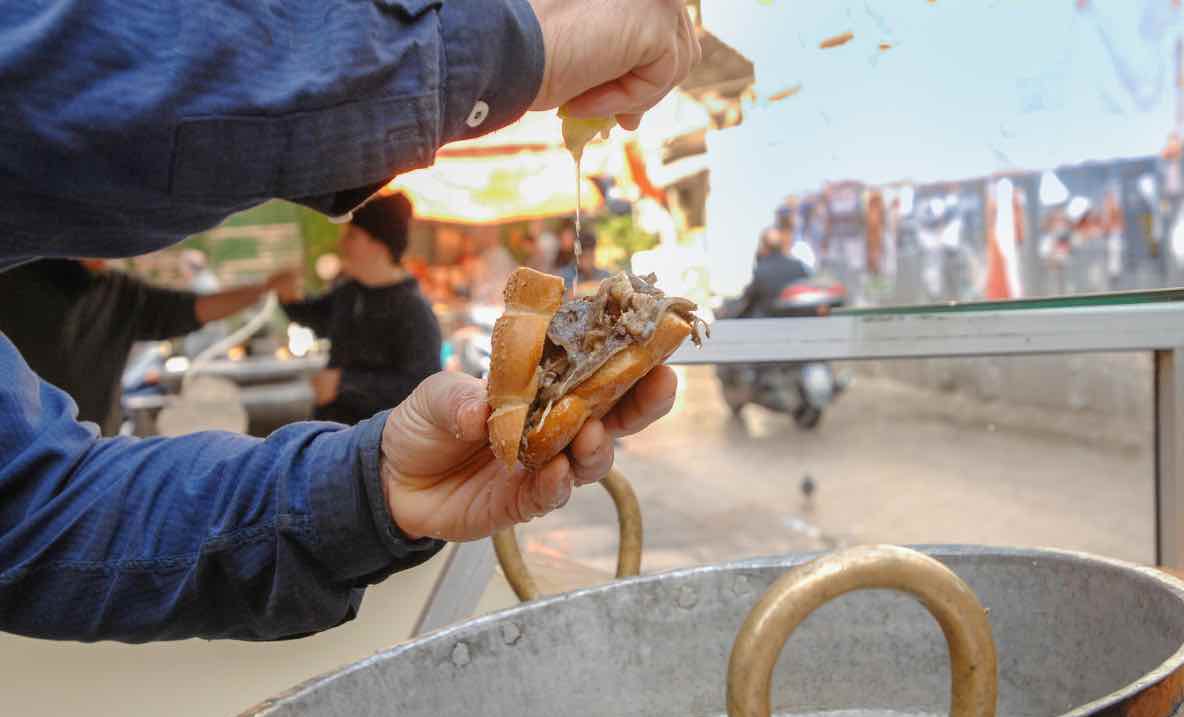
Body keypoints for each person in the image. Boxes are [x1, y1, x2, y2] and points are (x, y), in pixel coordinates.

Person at [0, 0, 700, 642]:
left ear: (373, 243)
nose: (339, 237)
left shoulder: (408, 310)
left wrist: (372, 486)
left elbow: (34, 511)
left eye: (351, 234)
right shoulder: (343, 297)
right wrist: (501, 45)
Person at [0, 257, 300, 435]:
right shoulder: (14, 274)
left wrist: (264, 289)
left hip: (87, 459)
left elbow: (193, 310)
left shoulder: (120, 293)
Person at [282, 193, 442, 424]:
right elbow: (317, 319)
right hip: (336, 434)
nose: (342, 243)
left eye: (353, 236)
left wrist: (344, 383)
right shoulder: (350, 292)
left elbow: (423, 384)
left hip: (381, 446)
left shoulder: (414, 311)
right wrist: (288, 297)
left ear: (378, 246)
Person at [735, 227, 816, 317]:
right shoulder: (798, 267)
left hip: (768, 325)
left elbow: (746, 303)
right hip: (798, 323)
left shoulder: (761, 271)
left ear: (763, 246)